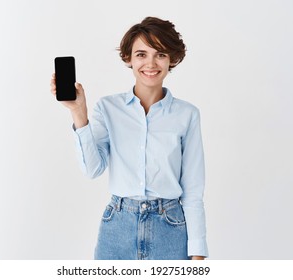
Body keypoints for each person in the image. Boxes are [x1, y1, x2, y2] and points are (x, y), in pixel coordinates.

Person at [50, 16, 208, 260]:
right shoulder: (108, 108)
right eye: (141, 54)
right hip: (118, 227)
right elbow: (93, 169)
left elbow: (193, 190)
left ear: (172, 60)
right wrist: (78, 111)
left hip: (171, 228)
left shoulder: (187, 115)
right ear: (128, 58)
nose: (151, 63)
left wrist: (198, 254)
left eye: (161, 54)